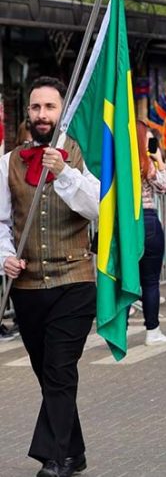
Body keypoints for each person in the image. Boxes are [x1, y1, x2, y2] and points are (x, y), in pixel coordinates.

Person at [0, 77, 100, 477]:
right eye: (36, 107)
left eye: (50, 107)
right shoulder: (9, 161)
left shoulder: (79, 155)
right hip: (27, 288)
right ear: (28, 112)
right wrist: (5, 257)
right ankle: (74, 452)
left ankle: (53, 458)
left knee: (60, 369)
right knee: (48, 375)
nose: (43, 115)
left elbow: (96, 208)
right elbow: (2, 221)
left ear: (63, 111)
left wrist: (64, 174)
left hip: (74, 280)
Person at [138, 122, 166, 346]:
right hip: (147, 220)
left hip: (121, 223)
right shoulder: (145, 163)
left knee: (121, 278)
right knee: (150, 281)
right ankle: (152, 330)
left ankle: (119, 327)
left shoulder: (114, 162)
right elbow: (163, 186)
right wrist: (158, 159)